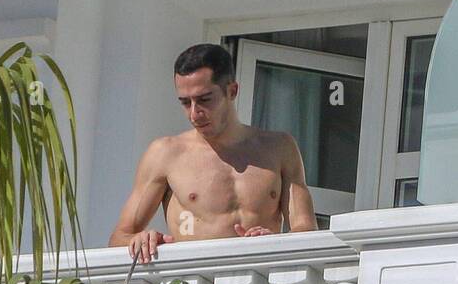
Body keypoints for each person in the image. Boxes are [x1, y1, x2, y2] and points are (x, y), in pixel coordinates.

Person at [110, 43, 317, 263]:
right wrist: (141, 239)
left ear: (232, 91)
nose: (194, 113)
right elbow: (119, 237)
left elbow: (305, 228)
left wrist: (274, 243)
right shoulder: (165, 154)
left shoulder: (279, 148)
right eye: (185, 102)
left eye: (204, 100)